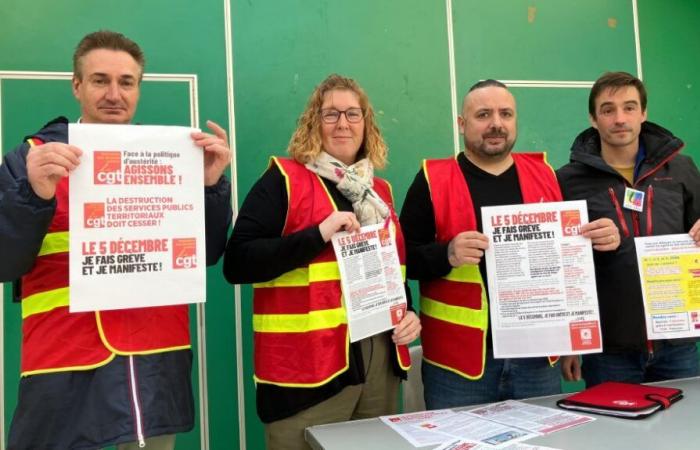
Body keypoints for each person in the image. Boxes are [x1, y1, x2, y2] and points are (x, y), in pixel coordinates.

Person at [0, 30, 233, 450]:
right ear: (77, 86)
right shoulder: (33, 157)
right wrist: (32, 195)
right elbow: (4, 262)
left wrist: (209, 187)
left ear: (138, 89)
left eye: (126, 82)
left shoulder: (172, 161)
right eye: (99, 80)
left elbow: (207, 255)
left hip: (154, 357)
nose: (114, 93)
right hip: (61, 356)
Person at [223, 74, 420, 450]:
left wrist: (408, 310)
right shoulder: (283, 179)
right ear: (314, 123)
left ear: (366, 124)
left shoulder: (379, 192)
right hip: (307, 371)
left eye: (352, 114)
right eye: (330, 114)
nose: (343, 123)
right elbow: (237, 262)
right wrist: (316, 235)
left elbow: (390, 267)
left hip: (379, 361)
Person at [400, 79, 619, 409]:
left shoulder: (545, 174)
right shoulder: (432, 178)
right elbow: (403, 261)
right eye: (483, 115)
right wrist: (447, 253)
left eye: (505, 114)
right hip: (458, 365)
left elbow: (565, 264)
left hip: (537, 360)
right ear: (462, 124)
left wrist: (570, 338)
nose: (496, 124)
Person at [557, 71, 700, 387]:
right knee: (613, 434)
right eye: (608, 110)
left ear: (644, 113)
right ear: (594, 118)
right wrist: (567, 342)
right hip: (609, 349)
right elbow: (559, 267)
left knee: (686, 435)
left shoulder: (682, 169)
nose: (619, 118)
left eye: (629, 107)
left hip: (679, 344)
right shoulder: (567, 181)